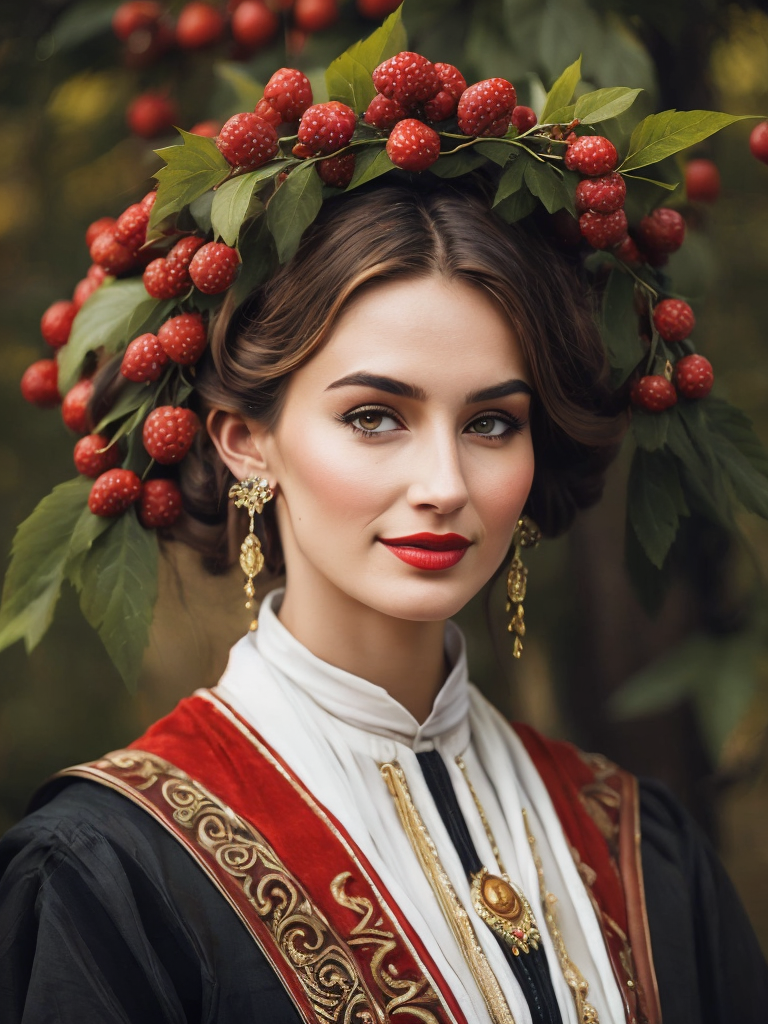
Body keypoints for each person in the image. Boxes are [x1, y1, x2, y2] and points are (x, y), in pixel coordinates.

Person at [1, 33, 767, 1024]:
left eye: (493, 421)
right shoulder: (113, 873)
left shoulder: (641, 844)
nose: (445, 482)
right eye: (375, 416)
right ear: (245, 442)